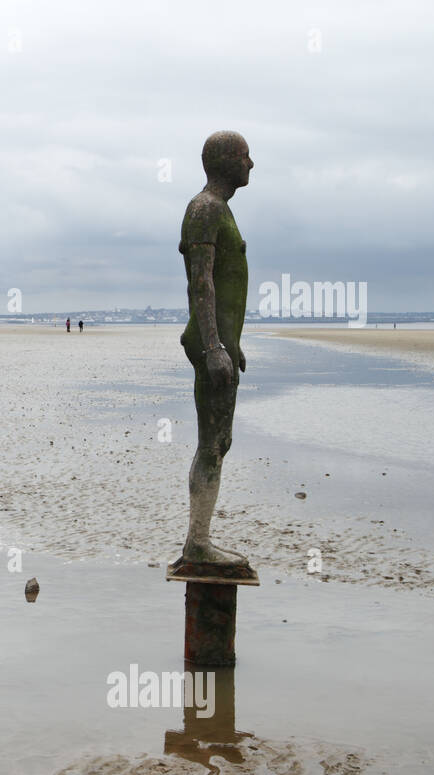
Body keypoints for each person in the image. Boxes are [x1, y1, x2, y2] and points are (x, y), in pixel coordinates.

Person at [178, 130, 254, 566]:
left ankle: (199, 540)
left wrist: (232, 344)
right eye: (245, 155)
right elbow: (201, 281)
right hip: (209, 346)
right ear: (226, 161)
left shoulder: (219, 211)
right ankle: (198, 544)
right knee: (211, 442)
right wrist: (212, 348)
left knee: (219, 441)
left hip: (220, 344)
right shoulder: (205, 209)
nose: (251, 164)